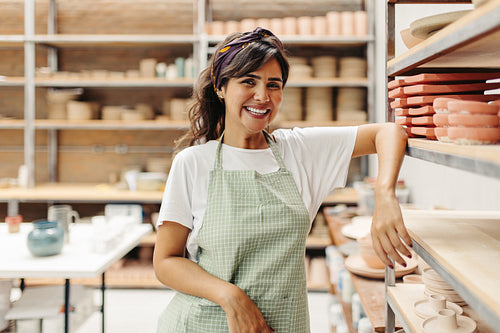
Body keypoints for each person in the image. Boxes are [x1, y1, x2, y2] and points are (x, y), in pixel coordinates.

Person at [153, 27, 411, 333]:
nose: (262, 97)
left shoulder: (299, 151)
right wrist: (231, 297)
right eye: (248, 81)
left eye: (273, 85)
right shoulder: (193, 163)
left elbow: (389, 132)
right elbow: (166, 261)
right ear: (220, 87)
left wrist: (384, 195)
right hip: (201, 323)